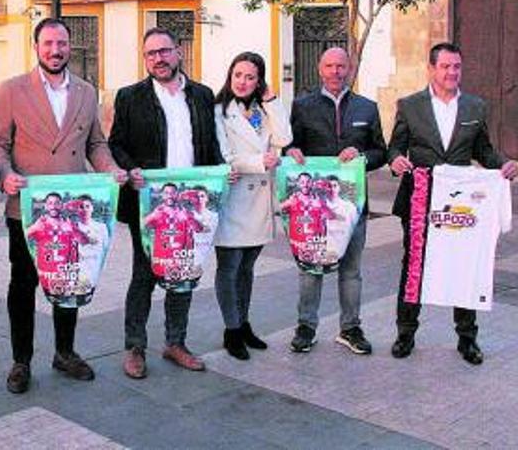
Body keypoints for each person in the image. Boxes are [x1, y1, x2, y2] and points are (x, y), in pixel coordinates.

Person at [0, 18, 127, 394]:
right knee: (23, 283)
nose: (55, 50)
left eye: (62, 43)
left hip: (70, 210)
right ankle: (21, 361)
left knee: (69, 280)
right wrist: (4, 174)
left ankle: (64, 352)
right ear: (36, 47)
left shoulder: (85, 91)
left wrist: (110, 169)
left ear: (69, 47)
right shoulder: (12, 90)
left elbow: (96, 143)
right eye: (48, 43)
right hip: (27, 209)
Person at [388, 42, 518, 365]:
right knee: (413, 265)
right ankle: (405, 334)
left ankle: (467, 339)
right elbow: (395, 148)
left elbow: (484, 151)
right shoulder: (410, 105)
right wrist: (395, 162)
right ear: (431, 69)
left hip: (459, 204)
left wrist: (503, 163)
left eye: (456, 66)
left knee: (465, 264)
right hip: (419, 200)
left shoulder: (475, 107)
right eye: (445, 66)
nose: (452, 73)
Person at [109, 27, 222, 379]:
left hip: (191, 206)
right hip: (149, 204)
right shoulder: (130, 97)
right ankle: (134, 347)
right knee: (143, 276)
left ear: (178, 52)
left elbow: (212, 146)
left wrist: (220, 177)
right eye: (150, 54)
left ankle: (176, 343)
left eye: (164, 51)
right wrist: (130, 169)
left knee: (182, 272)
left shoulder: (203, 95)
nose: (158, 58)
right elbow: (116, 145)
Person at [284, 46, 386, 355]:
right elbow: (290, 146)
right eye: (329, 66)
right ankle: (306, 326)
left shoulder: (367, 108)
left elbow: (381, 151)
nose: (335, 72)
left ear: (350, 69)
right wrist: (291, 152)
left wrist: (363, 157)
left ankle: (350, 328)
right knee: (310, 268)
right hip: (312, 207)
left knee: (351, 270)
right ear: (319, 68)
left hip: (352, 206)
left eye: (341, 66)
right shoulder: (302, 106)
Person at [212, 51, 292, 360]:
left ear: (259, 81)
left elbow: (284, 138)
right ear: (230, 76)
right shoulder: (219, 111)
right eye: (238, 75)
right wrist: (259, 161)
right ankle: (231, 330)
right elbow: (224, 155)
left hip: (259, 202)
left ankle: (243, 324)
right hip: (234, 200)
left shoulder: (261, 109)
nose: (243, 82)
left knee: (247, 267)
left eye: (251, 77)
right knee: (229, 268)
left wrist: (271, 100)